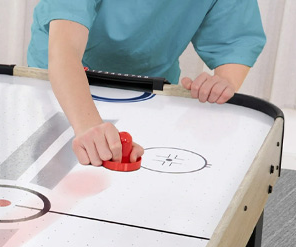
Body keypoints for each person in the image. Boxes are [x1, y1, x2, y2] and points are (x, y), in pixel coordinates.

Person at [27, 0, 266, 166]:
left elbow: (236, 38)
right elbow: (65, 52)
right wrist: (89, 127)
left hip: (151, 84)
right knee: (58, 177)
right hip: (64, 80)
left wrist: (222, 83)